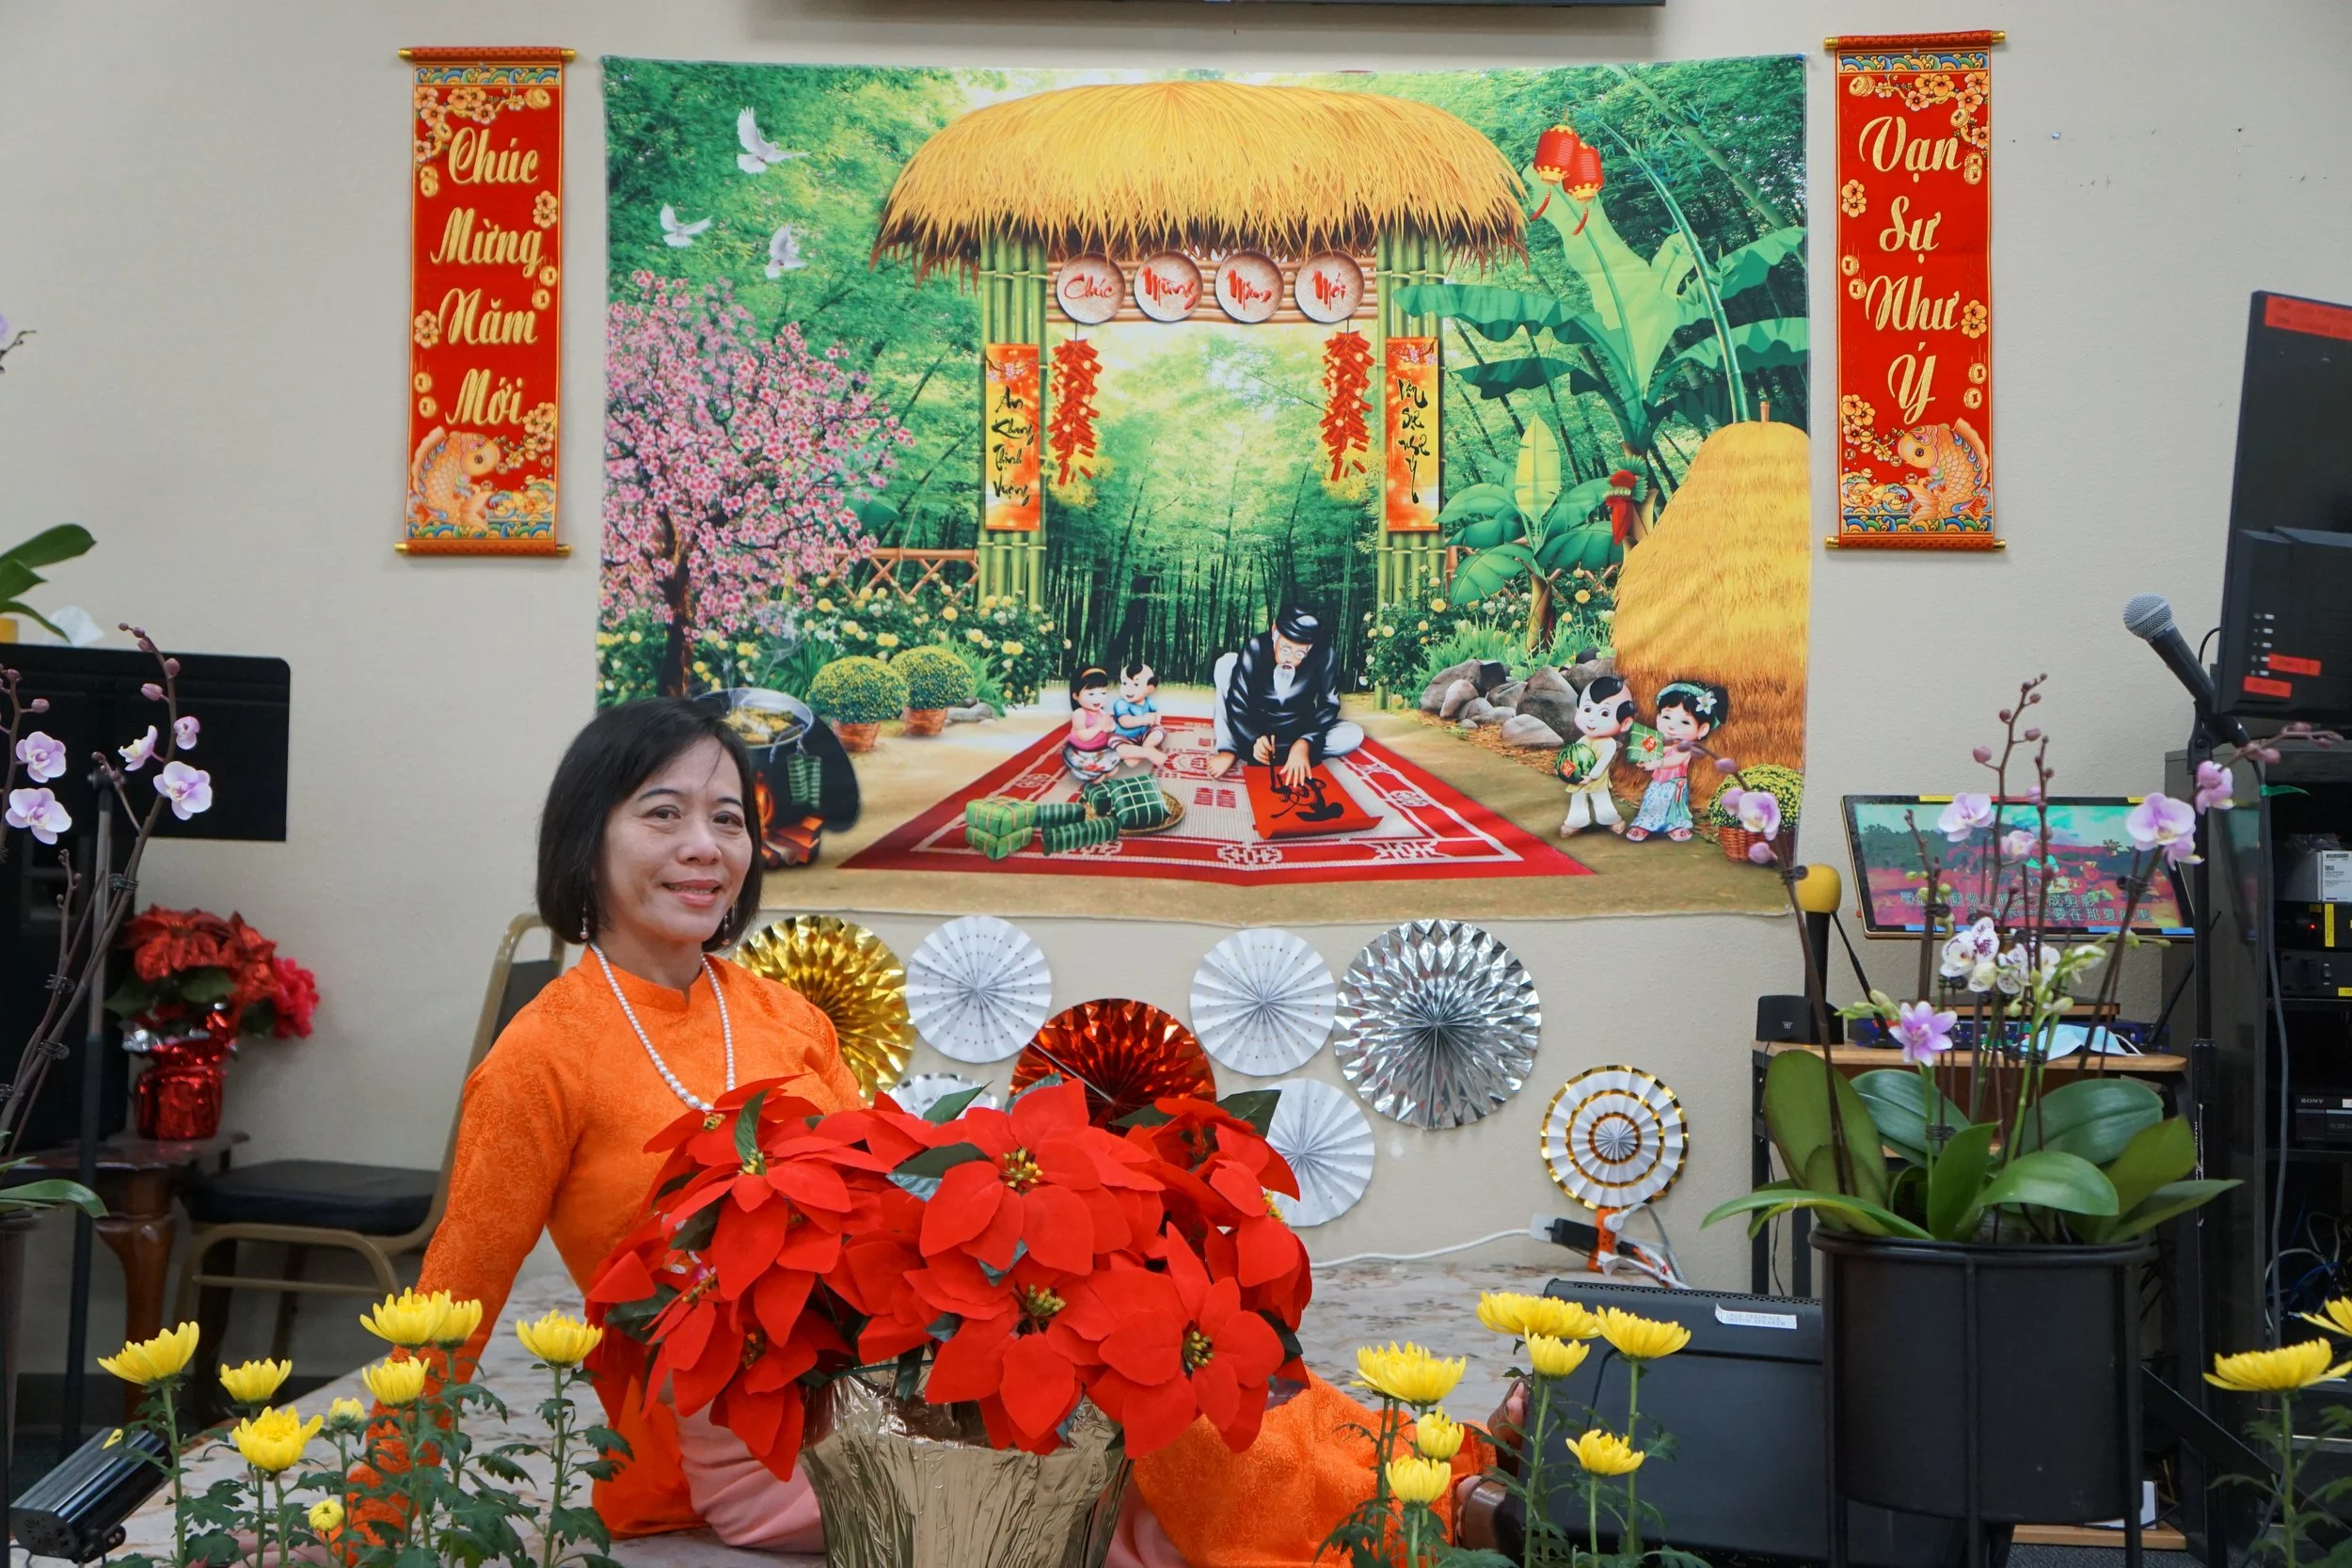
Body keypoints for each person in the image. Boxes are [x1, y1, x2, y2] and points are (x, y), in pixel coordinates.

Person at [414, 699, 863, 1541]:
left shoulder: (789, 1018)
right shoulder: (543, 1052)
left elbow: (889, 1219)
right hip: (710, 1460)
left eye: (728, 819)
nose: (705, 846)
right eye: (664, 814)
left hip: (870, 1407)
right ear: (587, 841)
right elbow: (455, 1297)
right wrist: (369, 1514)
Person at [1207, 607, 1363, 789]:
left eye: (1300, 654)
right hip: (1255, 726)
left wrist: (1305, 742)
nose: (1290, 659)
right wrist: (1252, 739)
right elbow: (1237, 701)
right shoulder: (1256, 647)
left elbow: (1329, 705)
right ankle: (1231, 749)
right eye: (1286, 649)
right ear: (1274, 631)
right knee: (1226, 663)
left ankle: (1292, 754)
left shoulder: (1324, 654)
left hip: (1297, 730)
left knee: (1352, 734)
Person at [1625, 680, 1727, 844]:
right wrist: (1644, 759)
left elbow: (1674, 760)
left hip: (1674, 786)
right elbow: (1655, 752)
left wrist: (1657, 763)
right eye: (1667, 717)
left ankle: (1675, 826)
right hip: (1657, 783)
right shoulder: (1662, 743)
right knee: (1651, 803)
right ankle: (1645, 824)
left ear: (1702, 729)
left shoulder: (1686, 749)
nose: (1672, 726)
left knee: (1673, 807)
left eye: (1685, 722)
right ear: (1658, 718)